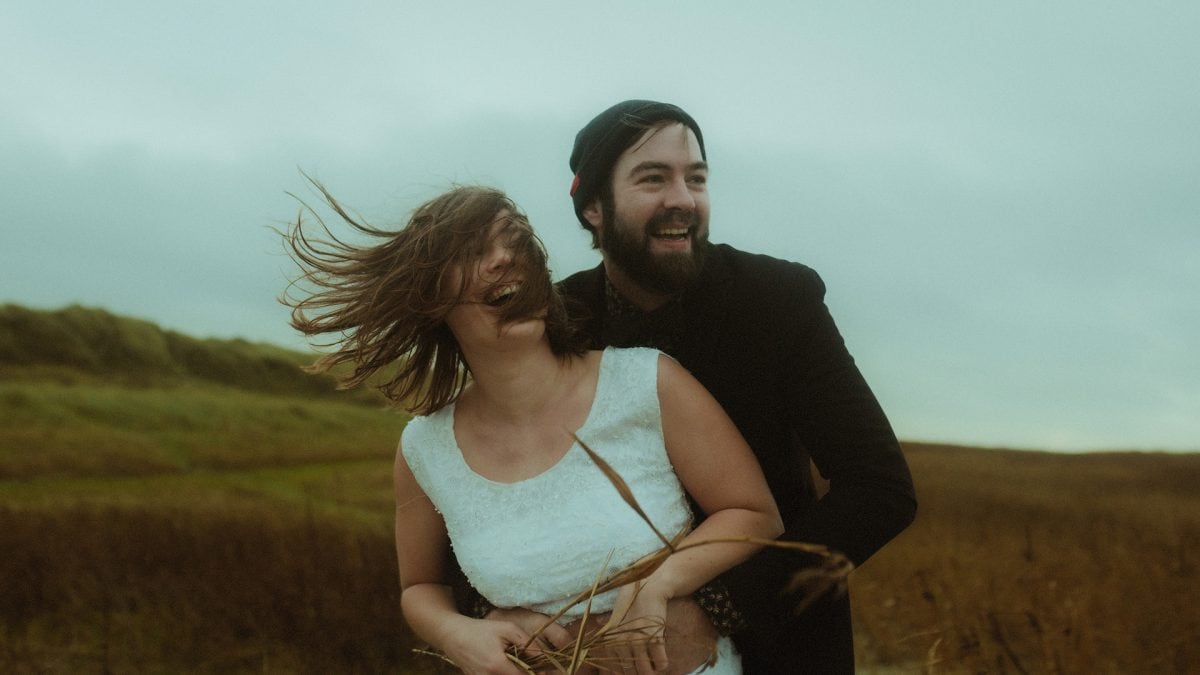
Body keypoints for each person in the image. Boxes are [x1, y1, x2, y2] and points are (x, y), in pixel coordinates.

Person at [281, 183, 784, 674]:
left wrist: (658, 584)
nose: (504, 257)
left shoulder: (646, 381)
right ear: (433, 297)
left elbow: (754, 514)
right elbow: (420, 589)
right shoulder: (424, 448)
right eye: (475, 251)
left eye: (516, 240)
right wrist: (458, 634)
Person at [550, 100, 918, 672]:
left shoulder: (778, 299)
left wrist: (714, 610)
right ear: (593, 207)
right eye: (654, 178)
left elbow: (879, 490)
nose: (683, 198)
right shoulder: (560, 320)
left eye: (696, 178)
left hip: (780, 650)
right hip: (599, 650)